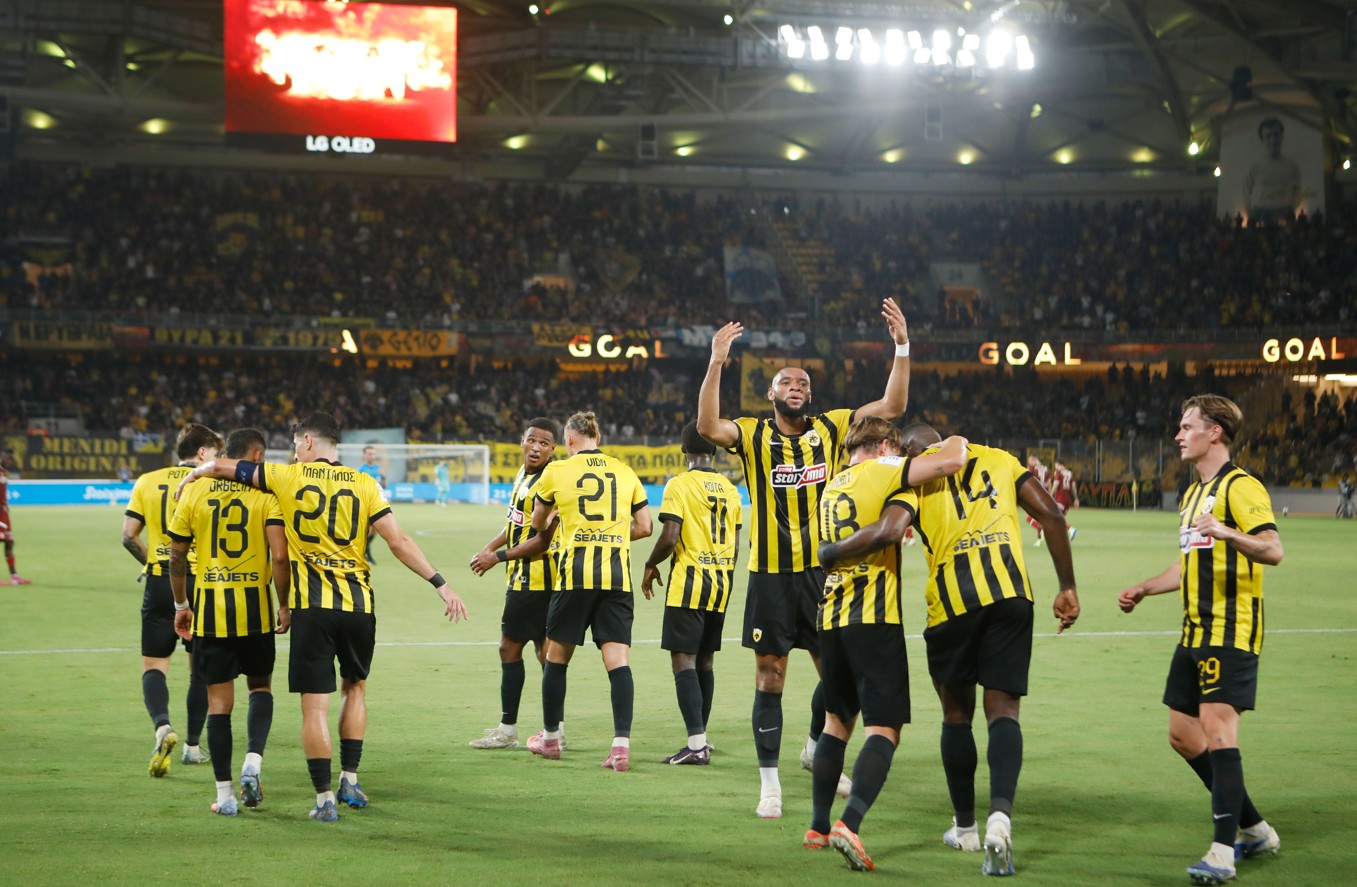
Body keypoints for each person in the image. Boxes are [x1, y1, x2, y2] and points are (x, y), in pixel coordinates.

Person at [176, 411, 468, 822]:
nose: (294, 450)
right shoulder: (365, 484)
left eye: (297, 442)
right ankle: (350, 778)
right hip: (358, 606)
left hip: (311, 609)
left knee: (314, 708)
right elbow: (398, 540)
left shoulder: (287, 476)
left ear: (309, 442)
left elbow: (227, 467)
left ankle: (324, 799)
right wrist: (440, 583)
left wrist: (195, 473)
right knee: (355, 689)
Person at [696, 297, 912, 819]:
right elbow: (706, 427)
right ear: (771, 393)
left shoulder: (833, 428)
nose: (796, 387)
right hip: (770, 575)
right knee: (770, 674)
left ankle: (817, 747)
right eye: (786, 382)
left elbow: (892, 406)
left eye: (804, 383)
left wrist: (902, 347)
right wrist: (716, 361)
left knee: (837, 674)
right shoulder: (752, 433)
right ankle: (769, 783)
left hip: (823, 572)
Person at [839, 422, 1079, 876]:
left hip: (952, 603)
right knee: (1004, 711)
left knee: (956, 716)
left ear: (911, 452)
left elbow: (890, 529)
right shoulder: (999, 459)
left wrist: (833, 552)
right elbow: (1052, 514)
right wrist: (1067, 585)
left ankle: (966, 827)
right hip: (1010, 594)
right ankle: (1000, 820)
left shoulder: (913, 479)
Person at [1117, 395, 1283, 885]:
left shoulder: (1240, 486)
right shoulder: (1192, 495)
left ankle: (1222, 852)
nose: (1178, 435)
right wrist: (1146, 587)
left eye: (1187, 426)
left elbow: (1272, 549)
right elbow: (1189, 561)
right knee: (1183, 734)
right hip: (1194, 630)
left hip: (1231, 628)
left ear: (1215, 433)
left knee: (1217, 729)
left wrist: (1229, 533)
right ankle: (1256, 829)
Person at [809, 417, 969, 871]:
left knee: (835, 723)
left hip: (831, 616)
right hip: (874, 617)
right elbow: (951, 462)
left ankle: (817, 827)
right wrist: (954, 441)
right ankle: (850, 824)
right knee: (884, 729)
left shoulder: (832, 486)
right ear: (883, 446)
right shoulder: (886, 469)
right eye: (897, 449)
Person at [167, 428, 289, 816]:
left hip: (211, 613)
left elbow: (176, 556)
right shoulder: (266, 494)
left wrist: (181, 604)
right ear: (257, 456)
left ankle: (225, 796)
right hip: (256, 612)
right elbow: (280, 556)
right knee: (260, 688)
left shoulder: (194, 491)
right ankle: (253, 762)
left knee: (219, 705)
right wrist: (284, 605)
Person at [525, 411, 651, 771]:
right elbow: (645, 526)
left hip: (575, 576)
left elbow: (538, 523)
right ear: (598, 438)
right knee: (618, 661)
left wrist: (566, 527)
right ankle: (621, 748)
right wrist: (611, 536)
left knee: (556, 658)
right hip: (617, 577)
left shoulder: (556, 471)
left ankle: (551, 739)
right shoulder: (624, 471)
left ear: (569, 439)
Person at [122, 423, 224, 776]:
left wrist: (154, 563)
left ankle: (163, 726)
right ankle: (193, 747)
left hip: (160, 580)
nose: (217, 459)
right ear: (202, 452)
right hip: (202, 582)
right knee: (200, 669)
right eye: (215, 453)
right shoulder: (211, 482)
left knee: (154, 665)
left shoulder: (147, 481)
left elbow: (128, 536)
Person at [640, 421, 743, 766]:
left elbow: (670, 537)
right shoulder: (731, 489)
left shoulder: (679, 484)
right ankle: (701, 738)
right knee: (705, 661)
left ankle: (696, 745)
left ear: (683, 450)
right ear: (714, 448)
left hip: (689, 582)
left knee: (683, 660)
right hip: (721, 581)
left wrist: (650, 564)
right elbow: (736, 544)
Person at [467, 418, 562, 751]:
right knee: (545, 652)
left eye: (544, 443)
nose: (536, 447)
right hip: (525, 577)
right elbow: (514, 524)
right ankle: (554, 731)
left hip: (535, 579)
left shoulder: (549, 482)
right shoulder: (523, 475)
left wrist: (498, 557)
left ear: (553, 449)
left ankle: (510, 730)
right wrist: (489, 547)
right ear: (522, 441)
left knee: (512, 648)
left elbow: (542, 541)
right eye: (532, 440)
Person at [1242, 117, 1302, 224]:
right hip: (1259, 213)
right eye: (1268, 136)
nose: (1273, 140)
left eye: (1276, 135)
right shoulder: (1255, 166)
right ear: (1262, 140)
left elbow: (1297, 190)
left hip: (1285, 213)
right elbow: (1246, 189)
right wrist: (1249, 211)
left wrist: (1292, 208)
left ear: (1282, 136)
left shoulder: (1292, 165)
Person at [0, 455, 31, 585]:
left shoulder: (3, 472)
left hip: (4, 513)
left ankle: (14, 576)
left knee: (9, 542)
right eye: (7, 459)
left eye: (11, 460)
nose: (9, 462)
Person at [1050, 460, 1080, 542]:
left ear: (1059, 464)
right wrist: (1076, 499)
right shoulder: (1070, 473)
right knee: (1058, 519)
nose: (1055, 467)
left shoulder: (1058, 472)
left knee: (1056, 517)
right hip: (1068, 499)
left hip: (1060, 498)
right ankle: (1059, 538)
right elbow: (1073, 487)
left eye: (1056, 465)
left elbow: (1056, 484)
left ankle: (1071, 529)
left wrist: (1051, 495)